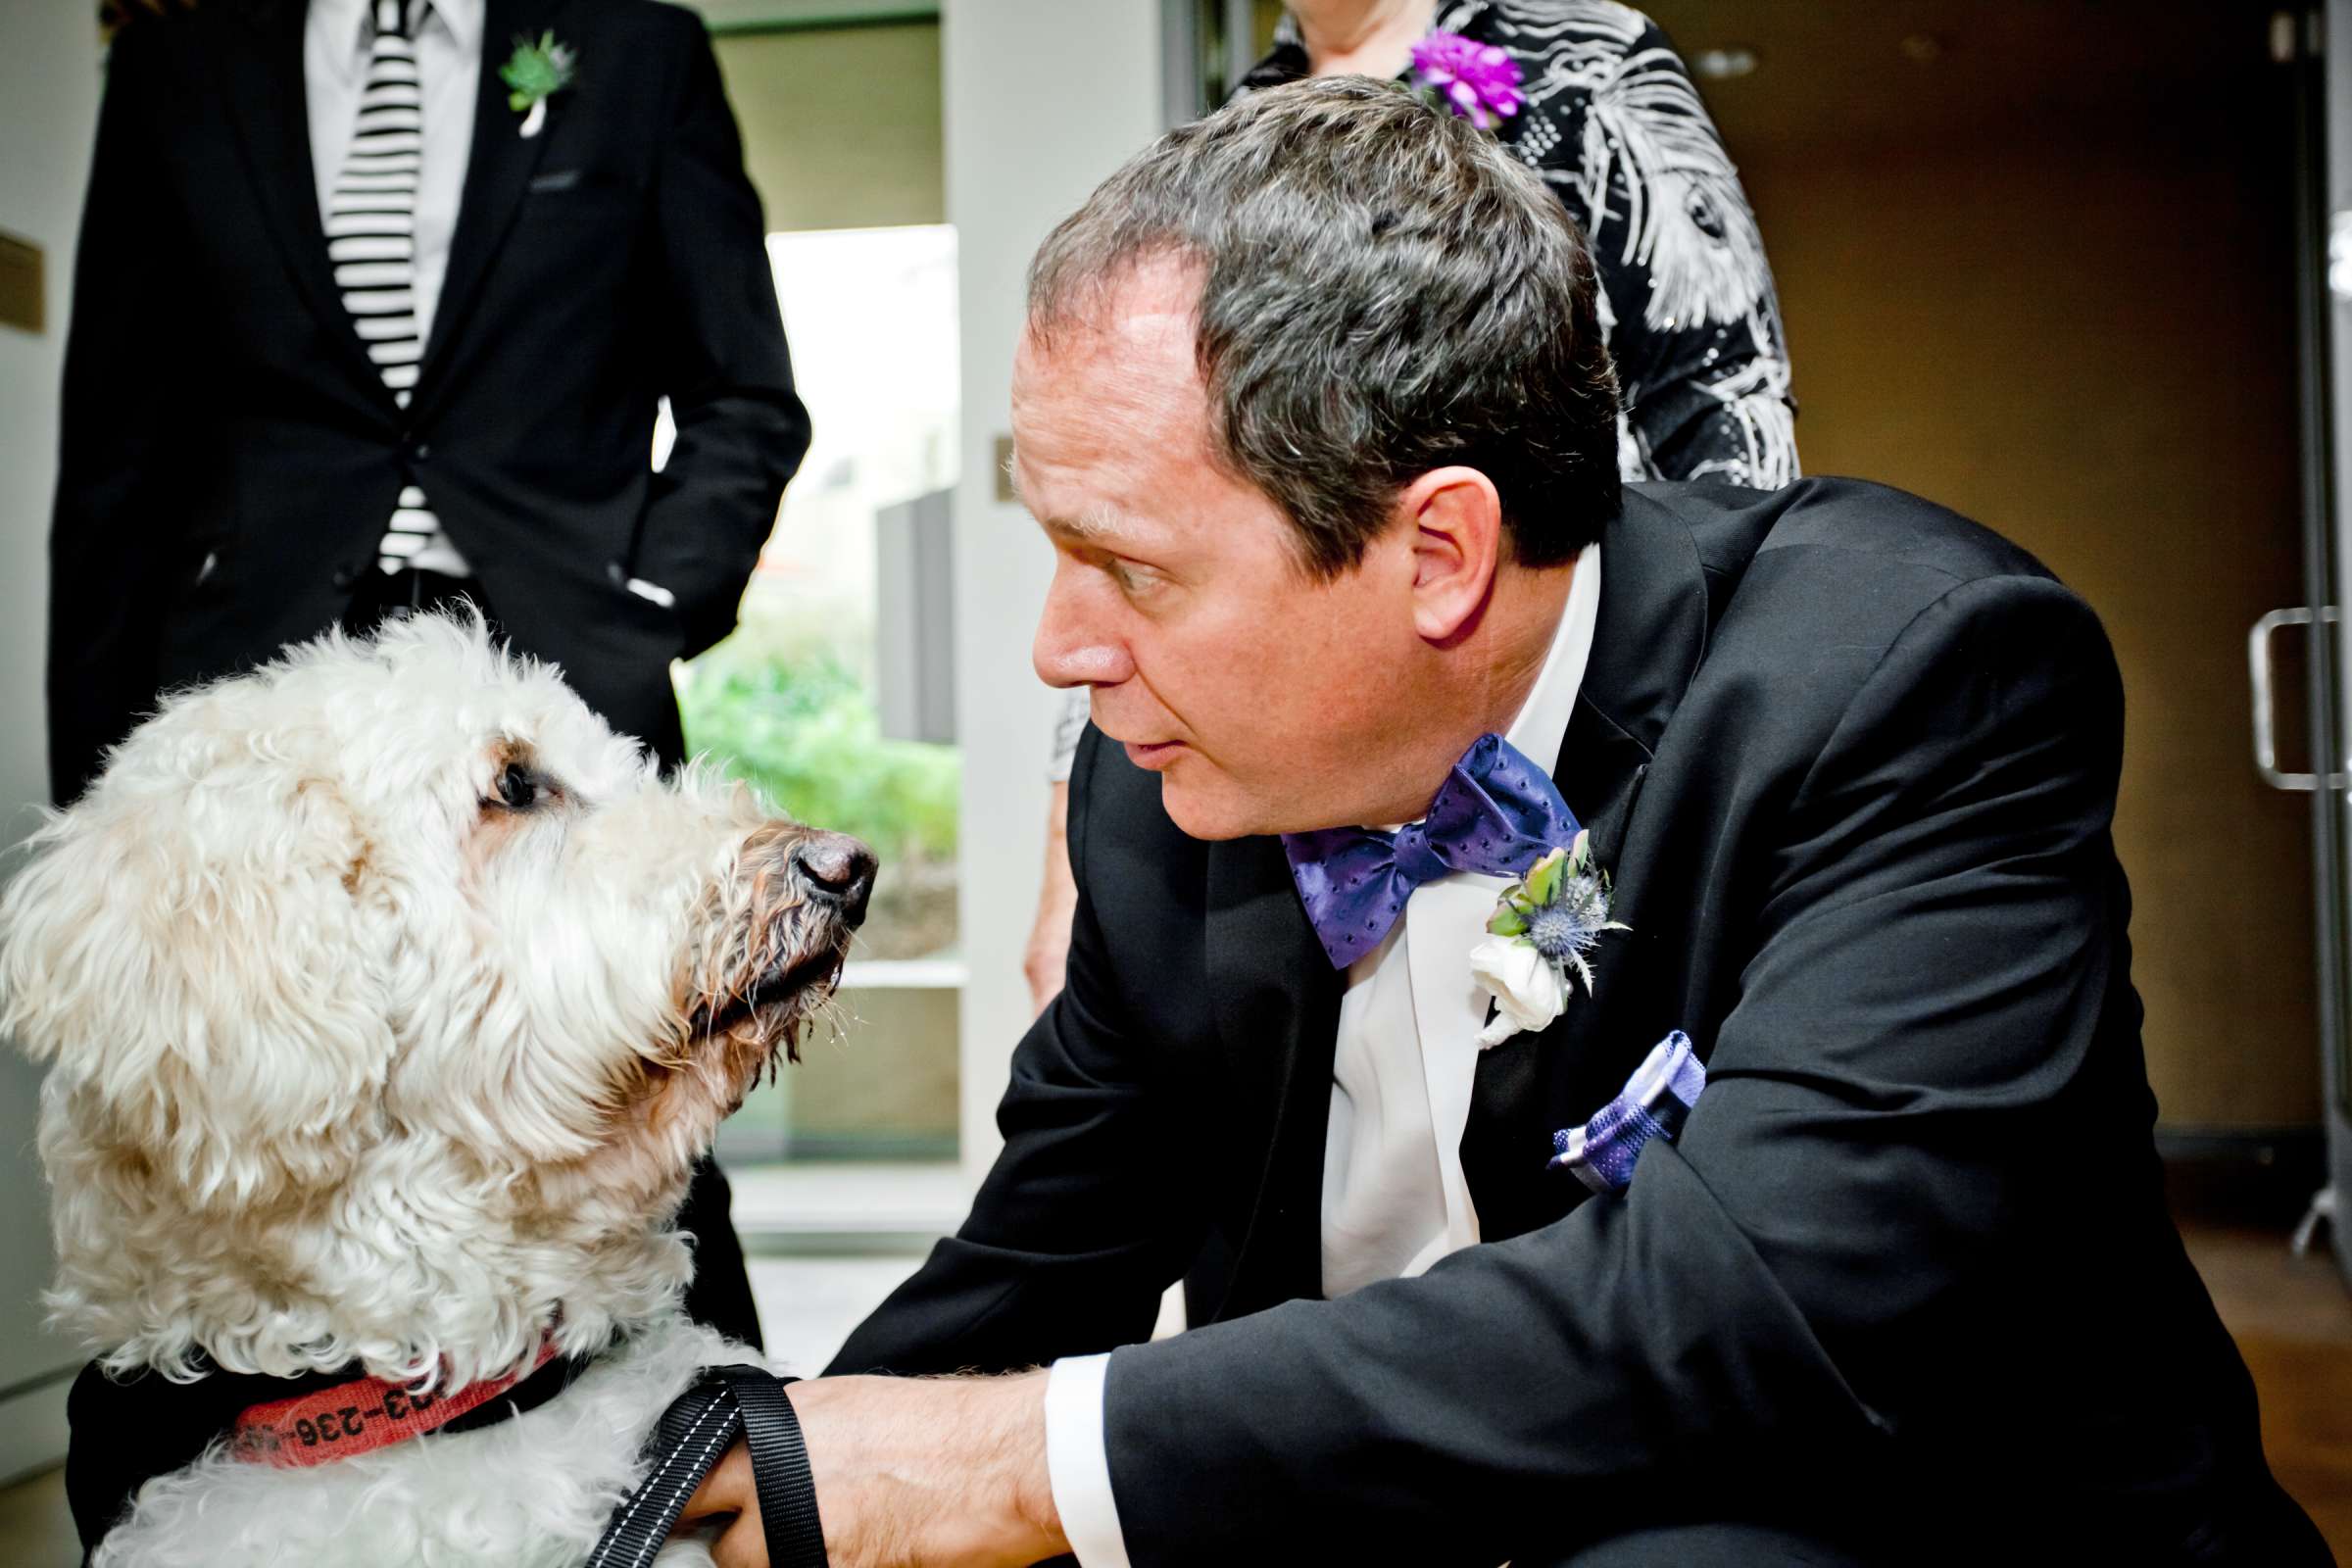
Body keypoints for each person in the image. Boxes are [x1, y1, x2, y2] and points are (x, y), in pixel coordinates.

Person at [674, 76, 2328, 1568]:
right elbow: (1038, 1263)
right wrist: (726, 1488)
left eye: (1132, 567)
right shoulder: (1161, 782)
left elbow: (1763, 1312)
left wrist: (1032, 1465)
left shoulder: (1911, 681)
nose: (1063, 649)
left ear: (1441, 556)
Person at [49, 0, 805, 1346]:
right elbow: (120, 446)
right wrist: (103, 799)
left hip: (553, 682)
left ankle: (720, 1473)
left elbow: (746, 396)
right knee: (229, 1176)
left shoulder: (634, 50)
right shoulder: (181, 64)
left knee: (636, 1099)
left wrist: (640, 610)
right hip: (266, 680)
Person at [1023, 0, 1796, 1015]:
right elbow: (1137, 533)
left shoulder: (1583, 60)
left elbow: (1723, 399)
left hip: (1574, 725)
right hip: (1307, 780)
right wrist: (1074, 852)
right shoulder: (1238, 114)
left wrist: (1696, 766)